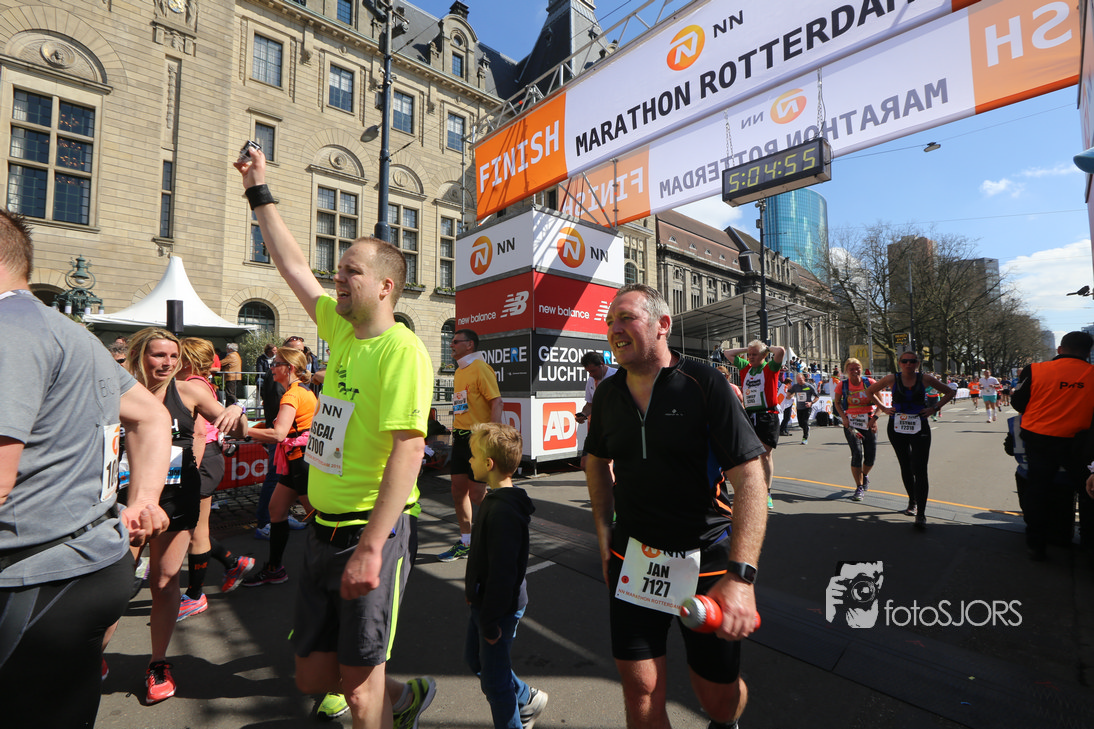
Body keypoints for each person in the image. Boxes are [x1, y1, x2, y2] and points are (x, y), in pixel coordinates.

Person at [236, 147, 437, 729]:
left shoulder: (402, 350)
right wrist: (258, 189)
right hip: (322, 529)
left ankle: (385, 702)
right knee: (316, 675)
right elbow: (293, 266)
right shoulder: (342, 332)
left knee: (359, 690)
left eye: (351, 272)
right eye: (339, 270)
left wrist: (372, 547)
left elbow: (409, 450)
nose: (336, 279)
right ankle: (405, 697)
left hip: (370, 531)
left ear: (385, 286)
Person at [0, 210, 171, 728]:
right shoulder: (70, 333)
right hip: (86, 566)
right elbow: (151, 415)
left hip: (34, 575)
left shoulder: (9, 330)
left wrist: (144, 502)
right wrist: (143, 501)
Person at [586, 284, 768, 729]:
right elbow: (596, 462)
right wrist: (605, 538)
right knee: (641, 691)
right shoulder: (608, 394)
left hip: (704, 560)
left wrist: (741, 577)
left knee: (718, 700)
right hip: (634, 560)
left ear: (662, 325)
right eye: (609, 322)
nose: (614, 329)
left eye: (626, 318)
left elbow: (751, 479)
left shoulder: (705, 384)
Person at [125, 327, 248, 703]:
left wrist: (236, 410)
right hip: (128, 499)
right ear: (140, 356)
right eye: (158, 355)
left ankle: (158, 663)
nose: (167, 363)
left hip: (177, 497)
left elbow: (239, 430)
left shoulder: (189, 391)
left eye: (173, 356)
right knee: (118, 584)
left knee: (164, 581)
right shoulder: (120, 390)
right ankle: (90, 657)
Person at [463, 423, 548, 729]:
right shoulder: (494, 500)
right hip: (485, 603)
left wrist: (489, 621)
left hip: (497, 609)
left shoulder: (503, 512)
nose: (469, 461)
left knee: (495, 683)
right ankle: (526, 697)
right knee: (476, 660)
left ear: (489, 464)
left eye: (473, 456)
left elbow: (503, 573)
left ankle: (516, 714)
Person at [177, 337, 256, 620]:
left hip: (201, 460)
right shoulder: (199, 382)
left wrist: (190, 473)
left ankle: (195, 595)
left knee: (195, 532)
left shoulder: (194, 385)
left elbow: (199, 433)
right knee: (193, 530)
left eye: (176, 355)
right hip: (204, 459)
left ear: (187, 359)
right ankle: (233, 562)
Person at [1013, 331, 1094, 561]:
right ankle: (1088, 545)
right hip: (1080, 444)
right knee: (1088, 493)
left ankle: (1036, 544)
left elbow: (1018, 403)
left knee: (1038, 490)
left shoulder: (1036, 370)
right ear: (1088, 353)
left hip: (1040, 439)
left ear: (1060, 349)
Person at [244, 346, 317, 586]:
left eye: (276, 364)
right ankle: (274, 568)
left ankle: (335, 568)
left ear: (290, 368)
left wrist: (244, 430)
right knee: (276, 510)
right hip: (297, 459)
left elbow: (278, 434)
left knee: (318, 518)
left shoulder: (292, 394)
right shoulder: (301, 390)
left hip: (301, 461)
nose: (271, 368)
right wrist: (256, 429)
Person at [866, 353, 955, 529]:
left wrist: (934, 408)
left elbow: (950, 392)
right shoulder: (891, 378)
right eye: (905, 361)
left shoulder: (925, 379)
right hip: (897, 426)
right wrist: (883, 408)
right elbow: (869, 391)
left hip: (920, 426)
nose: (908, 364)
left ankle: (921, 513)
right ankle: (912, 501)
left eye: (912, 361)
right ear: (899, 363)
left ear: (917, 363)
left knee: (920, 469)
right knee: (905, 465)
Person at [440, 328, 503, 562]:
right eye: (452, 341)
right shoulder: (459, 371)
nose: (451, 344)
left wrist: (491, 436)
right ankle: (466, 542)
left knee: (477, 494)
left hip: (478, 439)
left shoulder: (481, 368)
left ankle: (501, 530)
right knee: (458, 491)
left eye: (456, 341)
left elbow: (497, 401)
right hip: (460, 438)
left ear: (470, 345)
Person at [722, 340, 786, 509]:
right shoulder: (745, 367)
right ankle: (751, 488)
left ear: (764, 355)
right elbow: (727, 353)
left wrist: (766, 348)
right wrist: (749, 348)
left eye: (754, 354)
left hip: (767, 415)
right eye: (749, 354)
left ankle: (767, 492)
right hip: (749, 415)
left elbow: (780, 351)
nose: (750, 357)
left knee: (765, 455)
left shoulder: (770, 368)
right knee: (747, 455)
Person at [831, 358, 881, 502]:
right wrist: (844, 418)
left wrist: (874, 419)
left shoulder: (870, 383)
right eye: (851, 369)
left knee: (870, 457)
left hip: (869, 422)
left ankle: (864, 475)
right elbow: (837, 403)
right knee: (857, 454)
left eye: (857, 368)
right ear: (846, 371)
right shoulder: (842, 385)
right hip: (852, 424)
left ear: (861, 368)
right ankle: (859, 487)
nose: (855, 371)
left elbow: (880, 404)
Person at [576, 351, 617, 472]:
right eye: (588, 372)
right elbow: (590, 404)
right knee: (585, 464)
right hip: (597, 429)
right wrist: (583, 414)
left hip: (616, 429)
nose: (591, 374)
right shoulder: (590, 380)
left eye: (593, 371)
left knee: (609, 464)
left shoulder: (617, 376)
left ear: (602, 364)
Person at [787, 372, 819, 445]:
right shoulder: (795, 386)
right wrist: (788, 390)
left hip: (807, 407)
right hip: (799, 408)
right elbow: (788, 396)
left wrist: (811, 403)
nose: (799, 382)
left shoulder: (809, 386)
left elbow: (817, 397)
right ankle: (807, 428)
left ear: (804, 378)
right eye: (798, 380)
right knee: (801, 424)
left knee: (804, 422)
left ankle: (805, 438)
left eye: (801, 380)